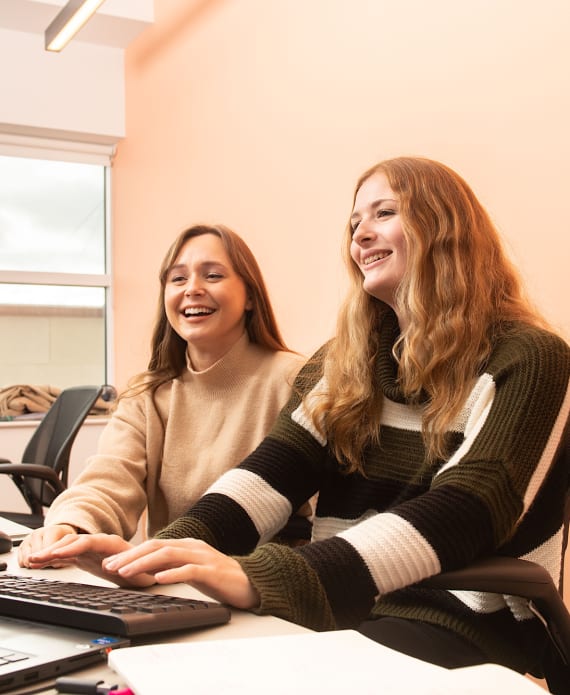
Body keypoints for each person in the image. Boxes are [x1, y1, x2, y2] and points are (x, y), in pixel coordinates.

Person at [24, 157, 570, 680]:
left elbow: (470, 509)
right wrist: (157, 563)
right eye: (354, 221)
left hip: (462, 615)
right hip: (347, 606)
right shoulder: (342, 364)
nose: (359, 235)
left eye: (384, 213)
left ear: (445, 226)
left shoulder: (530, 357)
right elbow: (266, 479)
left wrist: (264, 576)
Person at [18, 223, 306, 565]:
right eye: (178, 279)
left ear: (250, 297)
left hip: (263, 586)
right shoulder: (147, 394)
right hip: (171, 583)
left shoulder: (296, 379)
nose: (193, 289)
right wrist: (68, 524)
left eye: (212, 276)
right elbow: (109, 478)